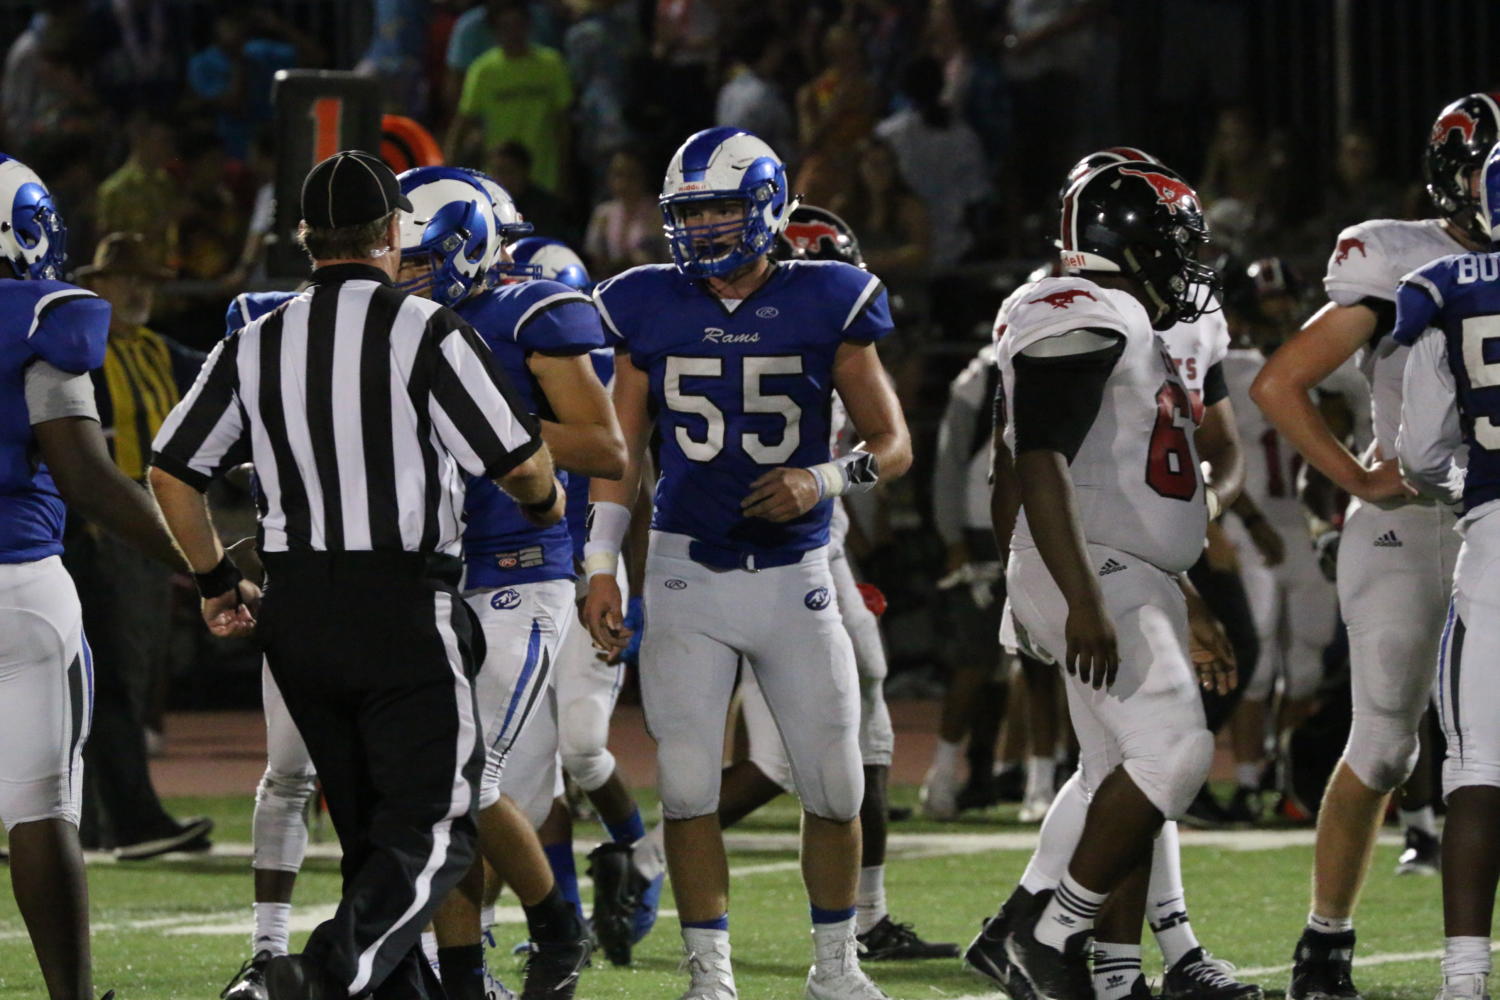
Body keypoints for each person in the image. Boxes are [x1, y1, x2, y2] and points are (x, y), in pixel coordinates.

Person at [148, 149, 563, 1000]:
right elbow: (520, 466)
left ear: (307, 240)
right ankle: (301, 983)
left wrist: (216, 579)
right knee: (440, 830)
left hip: (298, 611)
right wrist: (548, 504)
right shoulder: (427, 329)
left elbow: (171, 472)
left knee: (374, 838)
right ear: (390, 235)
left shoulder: (259, 339)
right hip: (404, 603)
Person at [581, 127, 911, 1000]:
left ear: (766, 204)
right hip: (688, 572)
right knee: (689, 787)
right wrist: (601, 566)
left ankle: (835, 969)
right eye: (691, 211)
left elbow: (893, 443)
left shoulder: (828, 296)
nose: (706, 226)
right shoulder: (646, 302)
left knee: (837, 785)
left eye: (722, 206)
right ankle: (710, 977)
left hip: (794, 573)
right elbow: (620, 455)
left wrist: (822, 478)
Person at [963, 161, 1228, 1000]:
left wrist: (1181, 596)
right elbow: (1036, 454)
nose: (1186, 259)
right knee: (1175, 749)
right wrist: (1076, 596)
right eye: (1173, 240)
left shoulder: (1127, 317)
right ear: (1126, 239)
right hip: (1093, 570)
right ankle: (1050, 935)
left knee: (1114, 768)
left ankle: (1030, 931)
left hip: (1122, 567)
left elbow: (1119, 478)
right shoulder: (1082, 304)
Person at [1251, 94, 1495, 1000]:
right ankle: (1326, 939)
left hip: (1494, 521)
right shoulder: (1395, 253)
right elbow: (1283, 384)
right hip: (1412, 522)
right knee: (1388, 743)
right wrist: (1357, 479)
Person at [715, 203, 957, 963]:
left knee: (871, 731)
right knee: (782, 763)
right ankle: (647, 855)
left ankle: (869, 919)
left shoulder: (810, 340)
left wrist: (831, 493)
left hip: (823, 552)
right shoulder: (769, 348)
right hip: (776, 558)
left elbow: (880, 453)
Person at [401, 166, 615, 1000]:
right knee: (435, 788)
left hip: (517, 575)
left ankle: (555, 929)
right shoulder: (395, 320)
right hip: (431, 575)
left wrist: (494, 428)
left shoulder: (533, 311)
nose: (406, 273)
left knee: (463, 781)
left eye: (422, 259)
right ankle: (461, 975)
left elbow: (605, 449)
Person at [0, 151, 191, 1000]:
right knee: (43, 811)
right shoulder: (46, 316)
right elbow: (86, 477)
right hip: (22, 586)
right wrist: (208, 565)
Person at [1391, 143, 1500, 1000]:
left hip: (1497, 537)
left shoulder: (1447, 287)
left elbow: (1419, 451)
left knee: (1476, 765)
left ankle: (1465, 979)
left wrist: (1466, 485)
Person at [66, 232, 213, 860]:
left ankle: (100, 820)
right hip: (98, 530)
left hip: (156, 527)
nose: (138, 291)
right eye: (125, 279)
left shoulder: (164, 353)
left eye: (147, 281)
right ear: (94, 285)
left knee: (134, 669)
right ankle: (120, 818)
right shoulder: (78, 352)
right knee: (112, 674)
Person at [1217, 259, 1339, 824]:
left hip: (1305, 525)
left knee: (1307, 664)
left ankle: (1288, 778)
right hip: (1253, 525)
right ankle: (1246, 783)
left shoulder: (1328, 362)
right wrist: (1244, 517)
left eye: (1285, 302)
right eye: (1268, 304)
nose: (1280, 314)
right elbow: (1215, 451)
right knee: (1258, 662)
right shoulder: (1229, 367)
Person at [448, 0, 573, 194]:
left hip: (544, 175)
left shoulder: (552, 65)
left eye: (518, 25)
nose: (513, 33)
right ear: (494, 31)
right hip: (500, 178)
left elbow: (563, 125)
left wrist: (565, 176)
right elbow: (462, 123)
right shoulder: (483, 71)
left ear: (528, 26)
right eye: (505, 27)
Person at [583, 150, 667, 279]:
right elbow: (594, 261)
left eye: (632, 176)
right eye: (618, 175)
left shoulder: (659, 213)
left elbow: (667, 260)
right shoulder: (603, 214)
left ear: (644, 177)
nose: (624, 183)